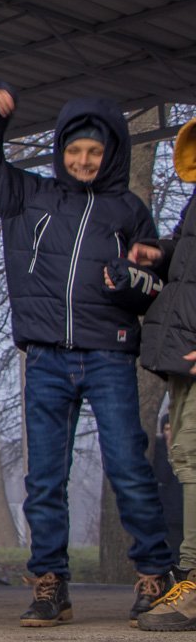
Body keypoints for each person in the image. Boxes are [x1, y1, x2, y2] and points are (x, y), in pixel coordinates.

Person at [0, 83, 172, 628]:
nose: (83, 161)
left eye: (94, 152)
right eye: (74, 151)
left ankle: (155, 575)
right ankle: (50, 585)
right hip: (47, 358)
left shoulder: (129, 210)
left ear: (112, 154)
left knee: (129, 466)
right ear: (60, 151)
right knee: (44, 479)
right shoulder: (28, 195)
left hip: (109, 356)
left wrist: (132, 280)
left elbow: (154, 284)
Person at [132, 118, 196, 631]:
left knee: (193, 456)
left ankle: (195, 584)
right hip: (182, 351)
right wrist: (161, 253)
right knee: (182, 455)